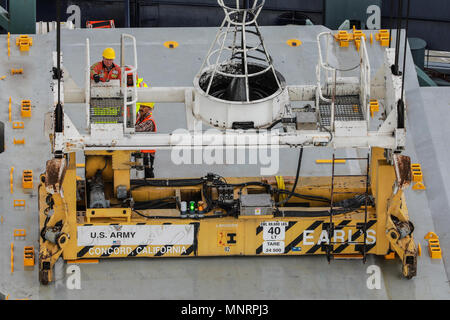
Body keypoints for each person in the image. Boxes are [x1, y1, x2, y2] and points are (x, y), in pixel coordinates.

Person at [135, 104, 156, 178]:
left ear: (149, 109)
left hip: (147, 152)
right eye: (141, 106)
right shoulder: (140, 117)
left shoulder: (149, 121)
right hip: (141, 151)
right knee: (139, 170)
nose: (141, 109)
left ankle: (151, 187)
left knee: (148, 171)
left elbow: (138, 129)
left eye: (144, 107)